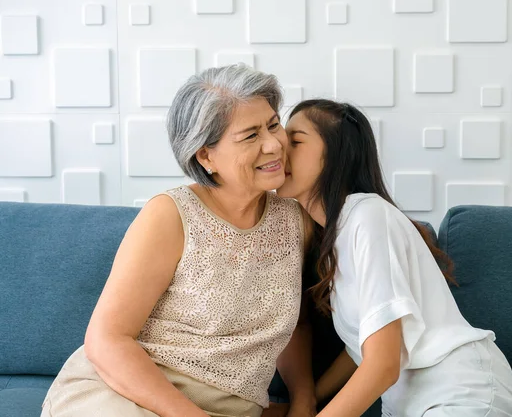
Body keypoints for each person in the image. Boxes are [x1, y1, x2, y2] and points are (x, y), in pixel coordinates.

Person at [41, 65, 316, 417]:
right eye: (250, 135)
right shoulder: (170, 215)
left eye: (273, 124)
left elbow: (296, 324)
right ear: (206, 156)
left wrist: (305, 400)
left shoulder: (296, 222)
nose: (274, 144)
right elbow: (107, 340)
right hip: (127, 395)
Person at [277, 99, 512, 417]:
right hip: (412, 406)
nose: (278, 149)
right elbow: (363, 349)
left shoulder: (367, 216)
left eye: (295, 141)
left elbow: (383, 365)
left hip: (462, 396)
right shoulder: (334, 242)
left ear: (338, 154)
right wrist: (306, 402)